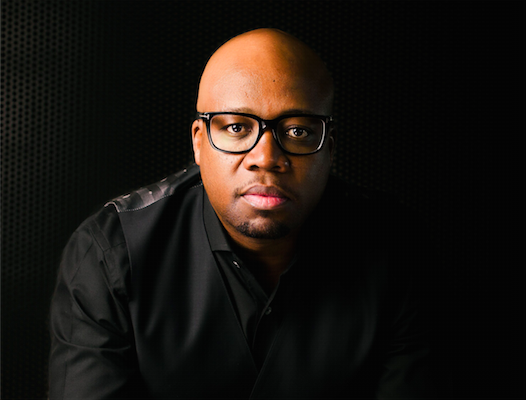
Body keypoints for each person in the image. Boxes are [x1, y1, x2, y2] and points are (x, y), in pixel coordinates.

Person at [49, 28, 444, 399]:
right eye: (237, 128)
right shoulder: (111, 254)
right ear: (199, 143)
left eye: (297, 131)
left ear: (329, 147)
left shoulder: (399, 248)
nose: (266, 158)